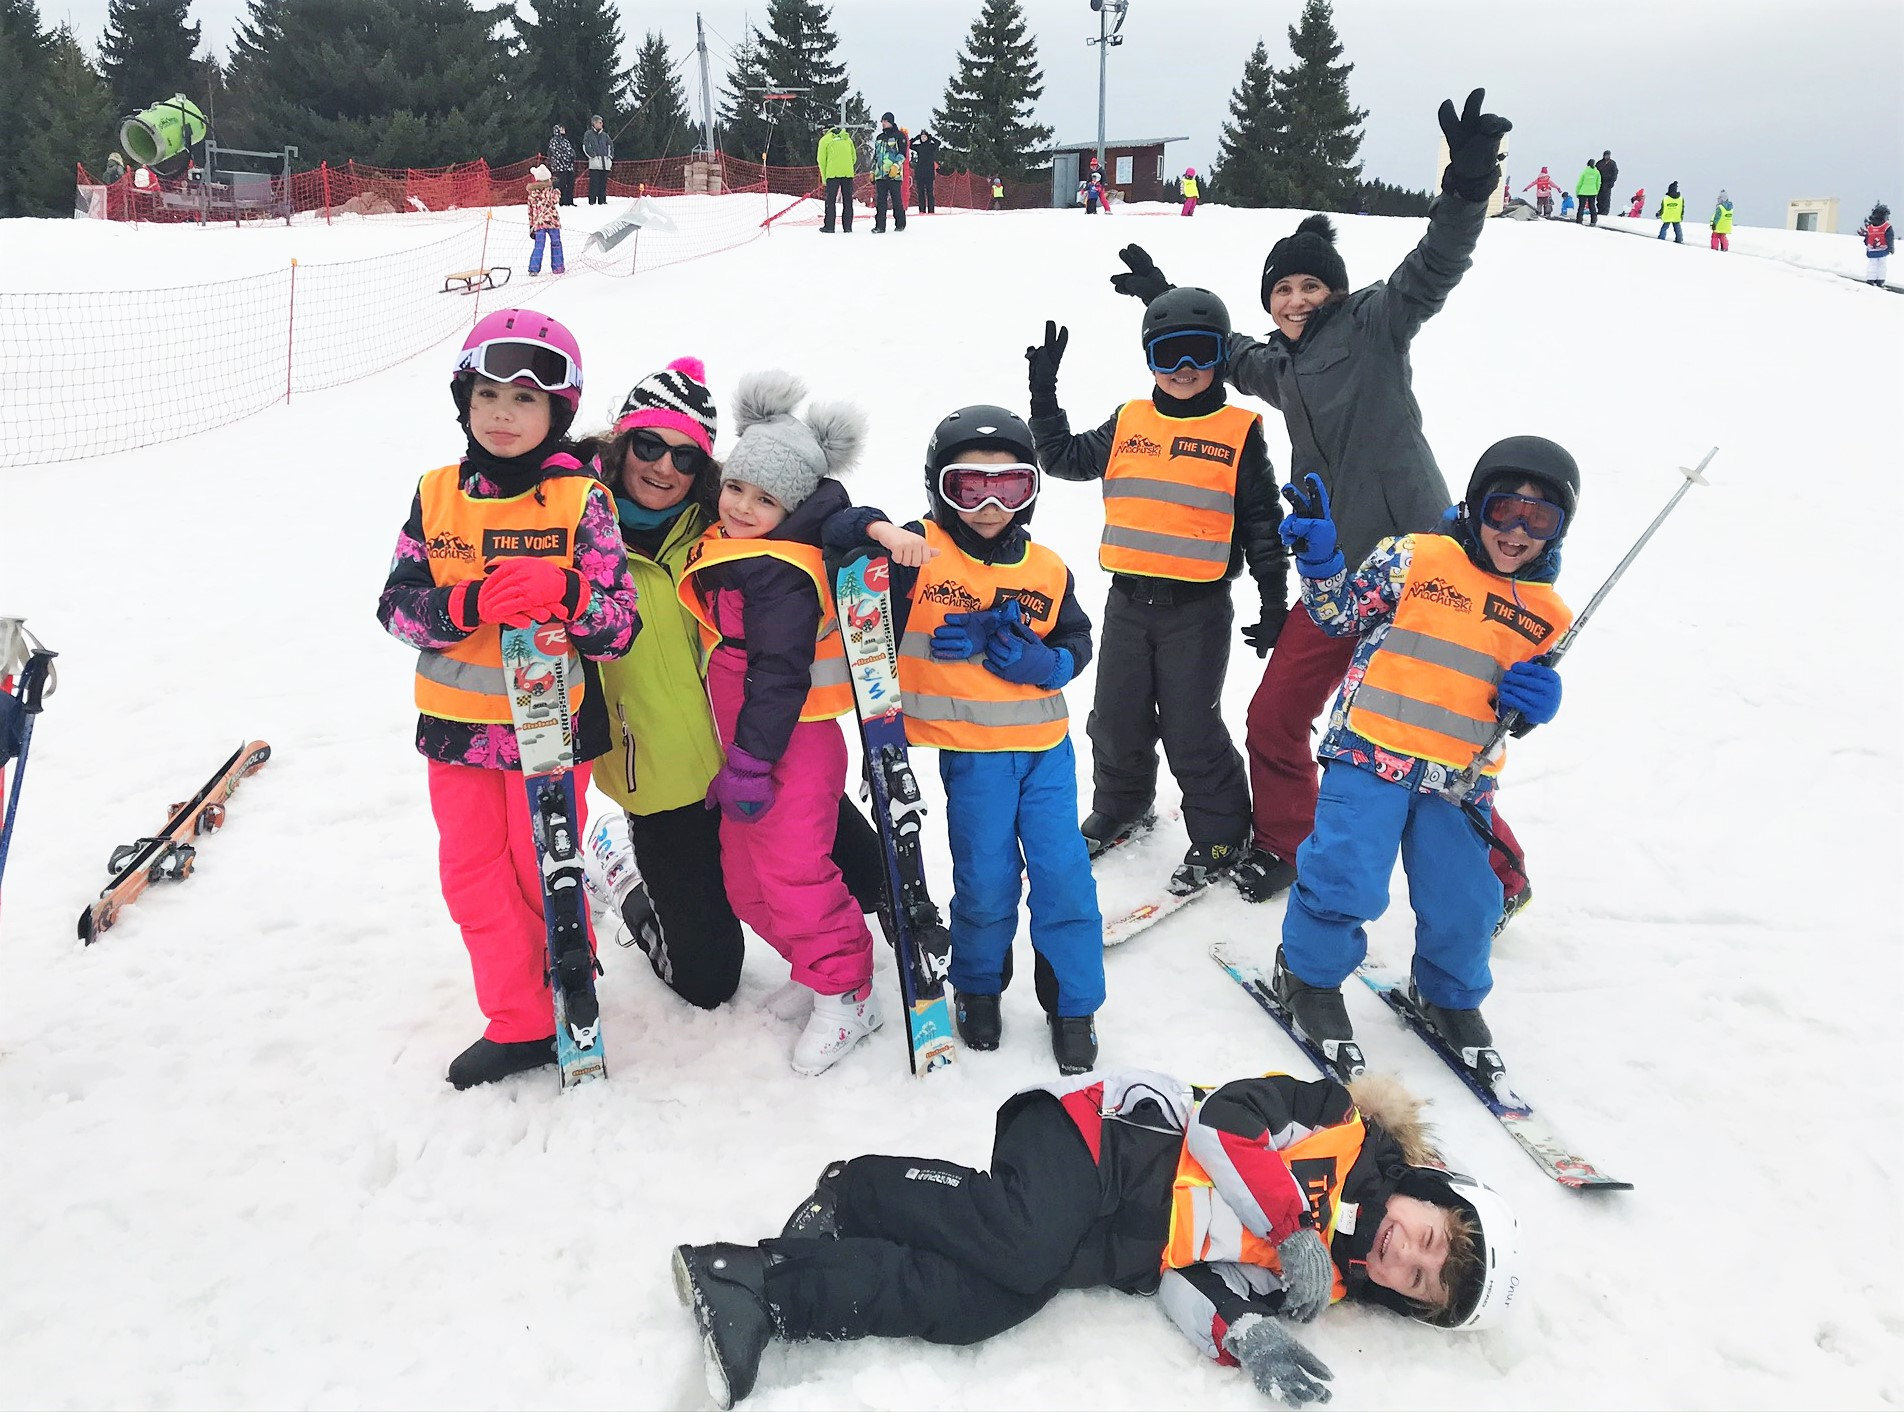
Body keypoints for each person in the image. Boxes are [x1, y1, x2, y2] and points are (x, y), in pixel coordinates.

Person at [1105, 88, 1533, 918]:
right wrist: (1163, 293)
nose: (1296, 299)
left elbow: (1435, 264)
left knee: (1433, 733)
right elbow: (1225, 351)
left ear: (1334, 291)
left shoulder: (1375, 323)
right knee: (1275, 714)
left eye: (1310, 285)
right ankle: (1286, 843)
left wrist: (1467, 188)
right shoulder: (1279, 364)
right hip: (1338, 580)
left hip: (1422, 570)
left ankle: (1500, 877)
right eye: (1283, 289)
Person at [672, 1068, 1519, 1410]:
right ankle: (859, 1188)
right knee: (1021, 1244)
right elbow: (1226, 1122)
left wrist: (1247, 1332)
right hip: (1098, 1141)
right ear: (1429, 1192)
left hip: (1107, 1241)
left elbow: (1189, 1281)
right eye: (1430, 1239)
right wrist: (1293, 1223)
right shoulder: (1337, 1124)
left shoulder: (1317, 1284)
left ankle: (762, 1288)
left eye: (1420, 1280)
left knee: (982, 1304)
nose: (1408, 1256)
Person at [375, 309, 640, 1089]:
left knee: (543, 873)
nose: (502, 413)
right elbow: (395, 606)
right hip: (457, 733)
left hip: (549, 732)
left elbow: (618, 628)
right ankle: (520, 1022)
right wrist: (465, 605)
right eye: (487, 394)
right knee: (473, 880)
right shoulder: (437, 494)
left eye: (525, 399)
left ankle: (567, 989)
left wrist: (568, 591)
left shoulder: (582, 501)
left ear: (558, 411)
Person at [573, 360, 886, 1012]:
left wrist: (872, 527)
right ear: (621, 443)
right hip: (663, 778)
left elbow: (818, 511)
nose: (665, 468)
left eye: (685, 456)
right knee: (708, 981)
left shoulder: (726, 524)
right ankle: (624, 874)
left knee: (872, 880)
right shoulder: (575, 528)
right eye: (649, 445)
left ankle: (830, 965)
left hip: (756, 750)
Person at [1269, 437, 1576, 1068]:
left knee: (1466, 901)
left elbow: (1507, 713)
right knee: (1345, 878)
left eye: (1539, 519)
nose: (1517, 531)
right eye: (1503, 510)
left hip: (1460, 781)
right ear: (1475, 506)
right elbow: (1339, 617)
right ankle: (1307, 976)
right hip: (1370, 753)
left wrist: (1533, 706)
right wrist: (1322, 562)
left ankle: (1448, 996)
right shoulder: (1417, 557)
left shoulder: (1548, 615)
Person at [824, 407, 1104, 1073]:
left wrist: (1052, 664)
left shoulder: (1046, 567)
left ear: (1030, 490)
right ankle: (978, 987)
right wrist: (881, 530)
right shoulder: (918, 551)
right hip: (974, 758)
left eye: (1008, 487)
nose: (988, 505)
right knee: (986, 879)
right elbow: (838, 532)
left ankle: (1073, 1005)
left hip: (1047, 753)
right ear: (939, 487)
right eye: (969, 487)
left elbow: (1076, 636)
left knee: (1064, 876)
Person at [1028, 289, 1284, 894]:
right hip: (1127, 602)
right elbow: (1063, 458)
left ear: (1220, 357)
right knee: (1116, 718)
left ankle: (1221, 832)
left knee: (1192, 727)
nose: (1183, 369)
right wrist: (1044, 395)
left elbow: (1262, 523)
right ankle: (1122, 807)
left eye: (1199, 353)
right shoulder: (1129, 421)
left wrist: (1274, 602)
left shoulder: (1239, 432)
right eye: (1169, 355)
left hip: (1197, 608)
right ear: (1149, 360)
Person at [675, 372, 880, 1075]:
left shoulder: (782, 574)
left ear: (792, 507)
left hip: (791, 743)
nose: (741, 506)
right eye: (736, 487)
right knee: (744, 877)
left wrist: (751, 762)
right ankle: (814, 965)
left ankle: (848, 991)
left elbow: (780, 674)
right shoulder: (735, 550)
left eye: (765, 499)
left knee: (793, 870)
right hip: (750, 743)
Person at [870, 112, 907, 233]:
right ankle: (880, 226)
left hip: (894, 175)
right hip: (880, 174)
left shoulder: (899, 136)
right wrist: (872, 171)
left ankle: (900, 224)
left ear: (890, 121)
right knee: (880, 201)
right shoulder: (879, 137)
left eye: (885, 121)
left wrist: (896, 166)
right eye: (882, 121)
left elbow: (902, 154)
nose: (883, 123)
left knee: (896, 200)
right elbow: (876, 155)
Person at [817, 123, 857, 233]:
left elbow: (821, 160)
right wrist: (846, 166)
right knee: (848, 200)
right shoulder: (847, 138)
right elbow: (854, 158)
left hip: (832, 174)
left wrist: (824, 178)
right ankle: (847, 227)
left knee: (830, 201)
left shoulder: (825, 140)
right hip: (847, 173)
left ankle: (829, 226)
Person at [525, 165, 563, 275]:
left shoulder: (532, 193)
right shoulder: (550, 191)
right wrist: (557, 190)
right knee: (556, 244)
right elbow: (555, 200)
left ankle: (534, 268)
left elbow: (530, 211)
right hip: (552, 221)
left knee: (539, 246)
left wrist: (531, 225)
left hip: (539, 223)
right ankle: (558, 267)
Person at [1858, 203, 1893, 286]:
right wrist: (1891, 247)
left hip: (1872, 250)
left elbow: (1867, 238)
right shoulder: (1887, 227)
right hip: (1883, 249)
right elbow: (1889, 238)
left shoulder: (1870, 227)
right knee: (1882, 265)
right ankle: (1880, 280)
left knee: (1872, 264)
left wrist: (1867, 244)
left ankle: (1871, 279)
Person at [909, 127, 940, 213]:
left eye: (924, 137)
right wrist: (916, 138)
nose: (923, 138)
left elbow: (938, 143)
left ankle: (931, 210)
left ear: (927, 137)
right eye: (922, 137)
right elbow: (909, 145)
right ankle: (922, 210)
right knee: (920, 193)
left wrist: (931, 137)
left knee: (930, 193)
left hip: (929, 172)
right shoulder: (918, 147)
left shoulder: (931, 146)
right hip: (920, 172)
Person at [583, 114, 613, 205]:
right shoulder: (588, 134)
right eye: (600, 122)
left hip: (605, 163)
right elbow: (586, 146)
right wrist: (593, 156)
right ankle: (592, 201)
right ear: (594, 123)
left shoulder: (605, 135)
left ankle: (602, 200)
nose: (601, 124)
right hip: (595, 164)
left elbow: (610, 146)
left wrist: (609, 157)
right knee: (594, 184)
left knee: (603, 184)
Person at [548, 123, 577, 205]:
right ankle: (562, 201)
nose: (563, 130)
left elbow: (570, 150)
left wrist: (572, 157)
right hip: (559, 167)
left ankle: (570, 201)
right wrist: (564, 160)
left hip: (569, 167)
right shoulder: (554, 141)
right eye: (561, 129)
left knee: (570, 183)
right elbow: (556, 152)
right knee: (562, 184)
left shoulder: (566, 141)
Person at [1573, 156, 1601, 225]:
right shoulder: (1597, 172)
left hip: (1583, 191)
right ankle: (1593, 221)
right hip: (1593, 192)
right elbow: (1598, 183)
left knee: (1581, 207)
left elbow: (1579, 183)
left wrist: (1577, 192)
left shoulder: (1584, 172)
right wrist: (1596, 191)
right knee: (1592, 207)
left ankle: (1579, 220)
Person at [1594, 149, 1619, 217]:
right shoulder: (1599, 163)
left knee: (1606, 198)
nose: (1607, 156)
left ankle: (1605, 212)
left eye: (1608, 155)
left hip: (1608, 183)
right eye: (1606, 155)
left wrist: (1612, 181)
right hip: (1600, 182)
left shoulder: (1612, 163)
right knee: (1599, 197)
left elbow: (1615, 173)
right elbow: (1595, 172)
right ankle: (1600, 210)